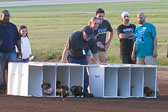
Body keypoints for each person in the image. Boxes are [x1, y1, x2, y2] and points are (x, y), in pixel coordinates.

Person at [61, 26, 101, 96]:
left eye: (89, 36)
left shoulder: (91, 40)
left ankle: (84, 91)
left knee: (85, 74)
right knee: (73, 73)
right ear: (83, 32)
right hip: (72, 56)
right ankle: (72, 91)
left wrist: (98, 62)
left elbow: (94, 52)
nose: (88, 38)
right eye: (86, 36)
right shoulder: (75, 36)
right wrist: (62, 60)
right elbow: (67, 48)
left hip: (82, 57)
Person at [0, 10, 22, 93]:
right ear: (1, 16)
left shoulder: (12, 26)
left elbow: (17, 40)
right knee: (1, 72)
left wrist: (20, 51)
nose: (7, 17)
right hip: (1, 53)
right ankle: (2, 88)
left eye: (8, 16)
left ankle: (13, 87)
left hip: (11, 52)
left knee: (13, 70)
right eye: (5, 16)